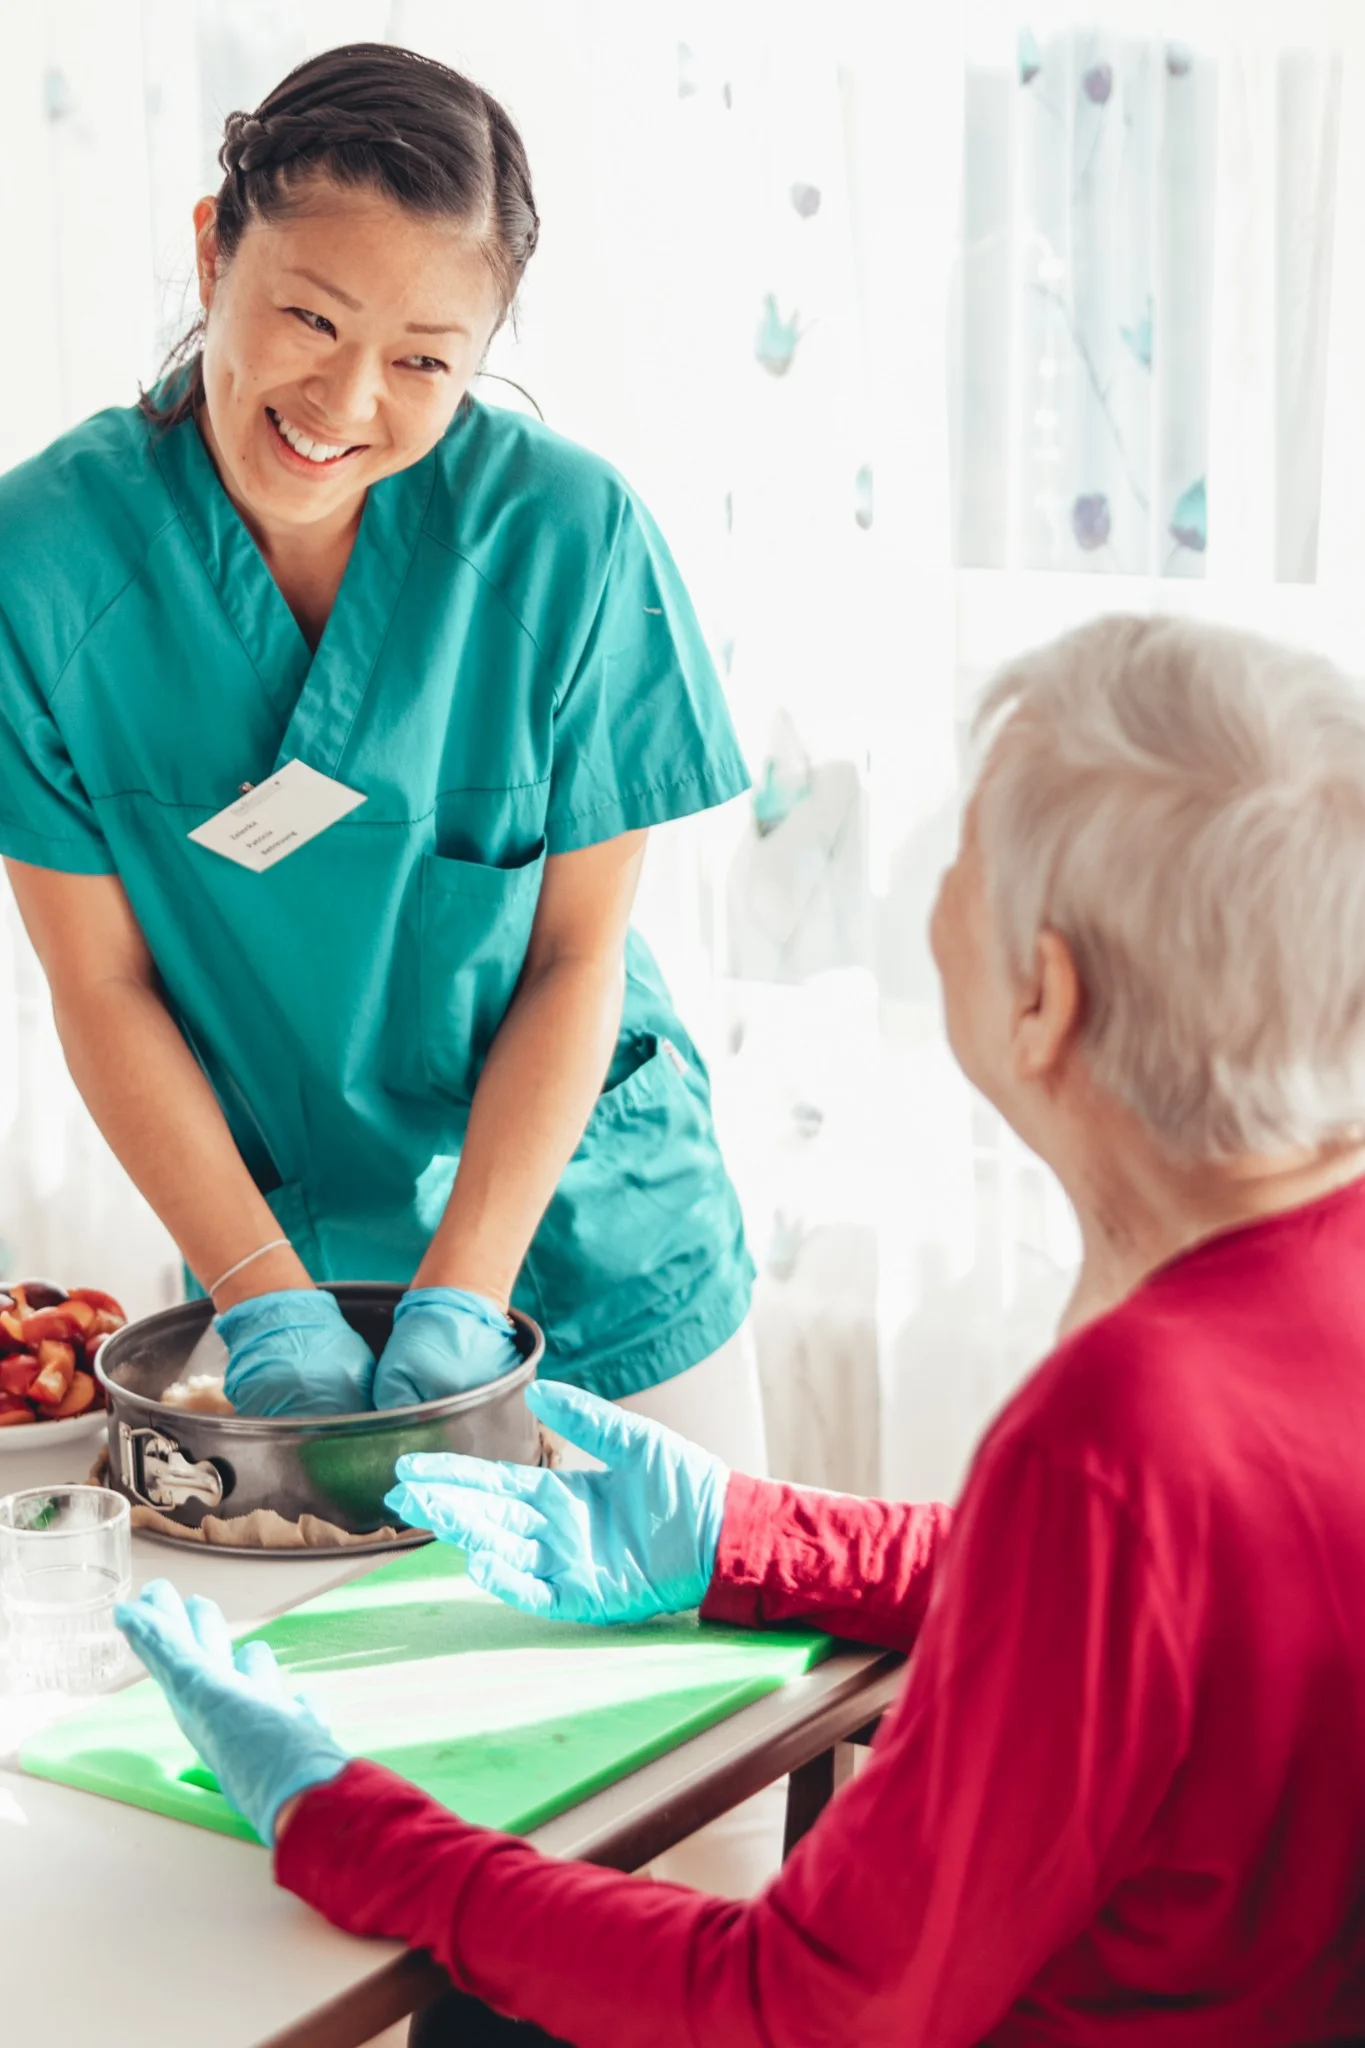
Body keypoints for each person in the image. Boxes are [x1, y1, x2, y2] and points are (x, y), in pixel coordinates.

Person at [120, 615, 1365, 2044]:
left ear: (1046, 999)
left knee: (483, 1992)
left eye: (965, 859)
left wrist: (342, 1821)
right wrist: (749, 1542)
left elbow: (809, 2010)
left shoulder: (1121, 1427)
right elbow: (1142, 1603)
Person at [0, 43, 760, 1459]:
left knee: (706, 1667)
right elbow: (98, 980)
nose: (345, 405)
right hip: (281, 1249)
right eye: (308, 318)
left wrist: (465, 1295)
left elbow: (575, 957)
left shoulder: (570, 546)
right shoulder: (42, 565)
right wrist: (261, 1300)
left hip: (599, 1231)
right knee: (358, 1670)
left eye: (422, 361)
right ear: (215, 248)